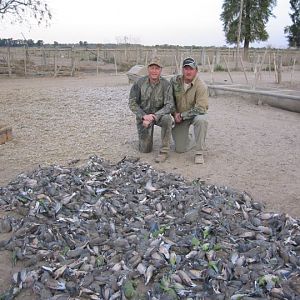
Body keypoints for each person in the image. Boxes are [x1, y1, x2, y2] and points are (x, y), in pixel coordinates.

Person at [128, 57, 175, 163]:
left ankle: (164, 151)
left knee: (167, 118)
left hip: (158, 116)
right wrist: (143, 116)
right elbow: (132, 103)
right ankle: (145, 139)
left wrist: (155, 116)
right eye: (152, 68)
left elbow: (169, 105)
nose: (154, 71)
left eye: (157, 68)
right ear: (148, 69)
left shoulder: (166, 85)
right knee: (145, 150)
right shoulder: (139, 83)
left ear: (161, 70)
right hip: (144, 118)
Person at [170, 57, 209, 164]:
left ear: (196, 70)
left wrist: (182, 115)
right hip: (179, 115)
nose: (188, 71)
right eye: (186, 69)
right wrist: (174, 113)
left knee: (202, 119)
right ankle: (190, 140)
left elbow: (201, 108)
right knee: (179, 149)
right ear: (182, 70)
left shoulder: (201, 86)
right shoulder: (174, 81)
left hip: (194, 115)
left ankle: (199, 153)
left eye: (191, 69)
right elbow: (169, 100)